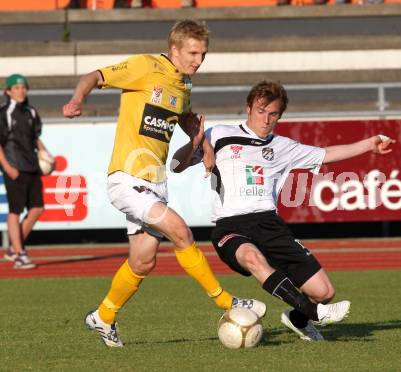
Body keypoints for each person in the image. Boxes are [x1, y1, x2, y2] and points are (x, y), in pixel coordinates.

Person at [62, 20, 265, 348]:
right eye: (193, 53)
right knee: (181, 232)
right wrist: (77, 99)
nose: (198, 60)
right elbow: (94, 76)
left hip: (155, 183)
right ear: (174, 49)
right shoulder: (146, 66)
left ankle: (104, 316)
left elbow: (185, 117)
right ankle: (228, 302)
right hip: (127, 179)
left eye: (203, 54)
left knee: (143, 260)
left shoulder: (183, 84)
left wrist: (205, 147)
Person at [172, 80, 395, 341]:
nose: (266, 119)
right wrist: (196, 141)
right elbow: (176, 164)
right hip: (230, 226)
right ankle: (314, 312)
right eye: (261, 111)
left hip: (269, 225)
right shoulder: (218, 135)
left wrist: (370, 144)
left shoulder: (283, 147)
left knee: (324, 292)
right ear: (248, 108)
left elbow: (327, 154)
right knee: (252, 257)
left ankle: (298, 318)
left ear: (280, 115)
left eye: (273, 113)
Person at [0, 74, 48, 270]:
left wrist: (45, 153)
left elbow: (35, 137)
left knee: (37, 209)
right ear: (8, 91)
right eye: (16, 87)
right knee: (15, 211)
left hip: (32, 167)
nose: (21, 90)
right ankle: (20, 254)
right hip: (15, 167)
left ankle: (13, 249)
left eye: (23, 87)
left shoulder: (31, 112)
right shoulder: (4, 113)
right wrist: (8, 167)